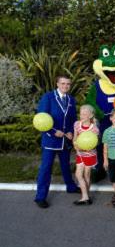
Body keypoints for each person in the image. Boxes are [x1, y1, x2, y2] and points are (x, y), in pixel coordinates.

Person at [34, 75, 80, 208]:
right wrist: (53, 131)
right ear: (57, 84)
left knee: (65, 165)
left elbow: (72, 118)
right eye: (63, 83)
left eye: (68, 84)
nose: (65, 86)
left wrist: (71, 131)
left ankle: (70, 187)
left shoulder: (71, 99)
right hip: (50, 140)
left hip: (65, 140)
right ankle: (40, 197)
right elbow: (40, 119)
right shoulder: (48, 97)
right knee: (46, 168)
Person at [73, 105, 100, 205]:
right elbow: (75, 138)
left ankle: (86, 196)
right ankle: (86, 197)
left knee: (86, 175)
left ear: (91, 115)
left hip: (90, 155)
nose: (82, 115)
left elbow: (95, 144)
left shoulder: (94, 129)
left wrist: (83, 147)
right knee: (78, 174)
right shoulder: (76, 124)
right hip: (79, 154)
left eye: (85, 114)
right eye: (81, 113)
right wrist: (75, 145)